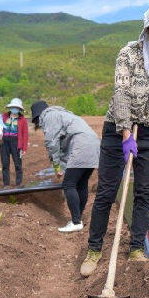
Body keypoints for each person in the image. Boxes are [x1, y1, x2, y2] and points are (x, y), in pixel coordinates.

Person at [81, 4, 149, 277]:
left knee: (144, 192)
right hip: (118, 129)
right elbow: (121, 93)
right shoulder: (129, 53)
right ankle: (94, 249)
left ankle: (137, 247)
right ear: (147, 30)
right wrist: (126, 132)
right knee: (106, 190)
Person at [30, 100, 100, 233]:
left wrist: (56, 166)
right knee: (81, 183)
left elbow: (52, 142)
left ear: (38, 116)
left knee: (69, 184)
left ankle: (75, 221)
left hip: (81, 146)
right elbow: (66, 146)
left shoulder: (49, 116)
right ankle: (78, 218)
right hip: (94, 145)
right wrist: (63, 165)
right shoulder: (63, 114)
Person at [0, 98, 28, 187]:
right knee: (5, 163)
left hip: (16, 142)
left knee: (18, 164)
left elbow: (25, 134)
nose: (14, 108)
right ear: (10, 107)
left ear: (19, 109)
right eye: (13, 107)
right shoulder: (3, 116)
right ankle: (6, 184)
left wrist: (24, 148)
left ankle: (19, 183)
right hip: (4, 142)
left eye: (16, 107)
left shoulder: (23, 119)